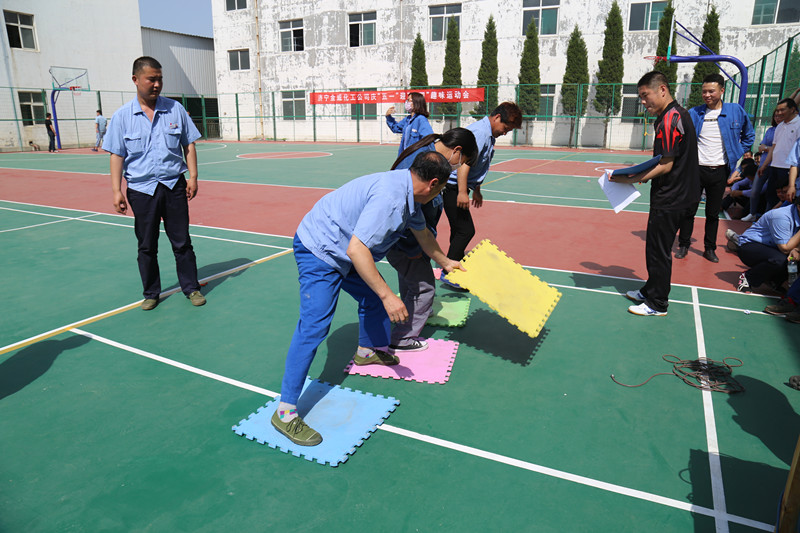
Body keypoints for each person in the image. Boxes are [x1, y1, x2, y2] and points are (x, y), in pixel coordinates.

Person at [272, 151, 462, 446]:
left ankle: (366, 351)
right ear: (433, 183)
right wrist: (388, 296)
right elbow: (357, 250)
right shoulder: (392, 200)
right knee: (314, 327)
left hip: (344, 249)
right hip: (320, 250)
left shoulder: (409, 192)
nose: (439, 196)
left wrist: (447, 262)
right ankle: (284, 413)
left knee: (372, 299)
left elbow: (423, 235)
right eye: (441, 190)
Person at [104, 56, 205, 311]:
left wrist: (193, 177)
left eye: (160, 79)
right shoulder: (122, 117)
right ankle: (151, 293)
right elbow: (116, 155)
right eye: (151, 79)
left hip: (173, 186)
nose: (157, 84)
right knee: (147, 245)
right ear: (136, 80)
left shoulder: (175, 109)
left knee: (182, 242)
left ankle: (191, 287)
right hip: (141, 190)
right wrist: (116, 191)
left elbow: (188, 144)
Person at [611, 71, 700, 316]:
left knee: (658, 251)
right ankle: (651, 289)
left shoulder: (670, 119)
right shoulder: (676, 114)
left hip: (672, 196)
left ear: (662, 90)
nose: (642, 101)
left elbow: (666, 165)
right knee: (655, 247)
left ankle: (657, 303)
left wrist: (632, 178)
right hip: (681, 193)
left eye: (645, 95)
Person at [385, 128, 478, 351]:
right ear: (456, 151)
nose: (458, 167)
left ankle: (413, 314)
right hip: (408, 239)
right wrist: (415, 247)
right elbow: (407, 209)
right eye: (462, 161)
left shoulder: (431, 157)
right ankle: (403, 338)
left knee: (411, 280)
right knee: (424, 287)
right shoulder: (420, 162)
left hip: (416, 238)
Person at [676, 73, 754, 263]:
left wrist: (737, 152)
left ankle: (709, 248)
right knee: (689, 210)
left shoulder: (735, 111)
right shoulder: (695, 113)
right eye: (704, 91)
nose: (707, 95)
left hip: (719, 170)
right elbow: (681, 136)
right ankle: (684, 244)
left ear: (722, 90)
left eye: (711, 91)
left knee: (712, 213)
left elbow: (749, 135)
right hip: (696, 170)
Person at [441, 101, 523, 270]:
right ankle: (448, 269)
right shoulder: (480, 133)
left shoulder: (488, 134)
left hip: (459, 187)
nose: (505, 133)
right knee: (466, 230)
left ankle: (454, 262)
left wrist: (476, 189)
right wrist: (462, 192)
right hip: (452, 187)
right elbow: (464, 163)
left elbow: (478, 164)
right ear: (497, 117)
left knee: (458, 229)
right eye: (505, 128)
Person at [736, 195, 800, 293]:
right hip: (750, 245)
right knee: (780, 260)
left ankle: (773, 281)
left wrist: (796, 250)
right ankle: (749, 277)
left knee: (792, 258)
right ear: (799, 207)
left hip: (774, 247)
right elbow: (785, 248)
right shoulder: (782, 216)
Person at [755, 98, 800, 212]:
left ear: (792, 109)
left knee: (785, 199)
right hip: (774, 166)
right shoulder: (780, 126)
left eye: (782, 110)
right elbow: (774, 148)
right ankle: (768, 218)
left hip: (788, 169)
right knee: (771, 196)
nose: (779, 113)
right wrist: (764, 165)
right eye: (777, 110)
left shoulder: (798, 124)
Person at [743, 109, 781, 221]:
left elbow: (778, 149)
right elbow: (761, 147)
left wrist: (767, 148)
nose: (777, 118)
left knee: (770, 193)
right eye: (775, 116)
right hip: (763, 164)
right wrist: (768, 148)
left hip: (776, 165)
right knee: (755, 190)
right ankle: (752, 213)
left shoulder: (784, 130)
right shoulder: (770, 130)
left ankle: (765, 217)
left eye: (780, 116)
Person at [385, 92, 433, 156]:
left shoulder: (421, 120)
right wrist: (388, 117)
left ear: (416, 102)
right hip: (405, 156)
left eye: (408, 100)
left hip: (415, 158)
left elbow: (429, 139)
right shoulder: (407, 119)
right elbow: (395, 128)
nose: (406, 102)